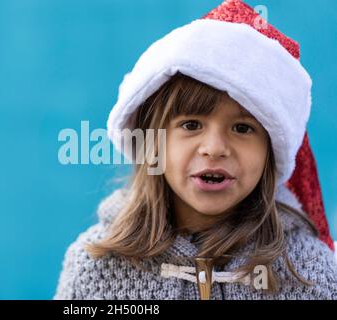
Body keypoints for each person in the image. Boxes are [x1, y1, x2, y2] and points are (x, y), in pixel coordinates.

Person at [54, 0, 337, 299]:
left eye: (242, 128)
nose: (214, 148)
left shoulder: (309, 274)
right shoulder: (96, 266)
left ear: (270, 151)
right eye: (191, 125)